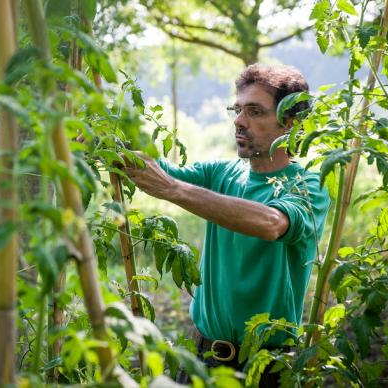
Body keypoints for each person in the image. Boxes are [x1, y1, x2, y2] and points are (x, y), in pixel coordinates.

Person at [123, 63, 331, 387]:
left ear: (289, 123)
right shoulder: (222, 173)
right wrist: (111, 143)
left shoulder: (308, 185)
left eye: (255, 112)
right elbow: (156, 171)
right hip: (201, 356)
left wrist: (173, 190)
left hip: (266, 367)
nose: (239, 121)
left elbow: (272, 222)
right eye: (237, 110)